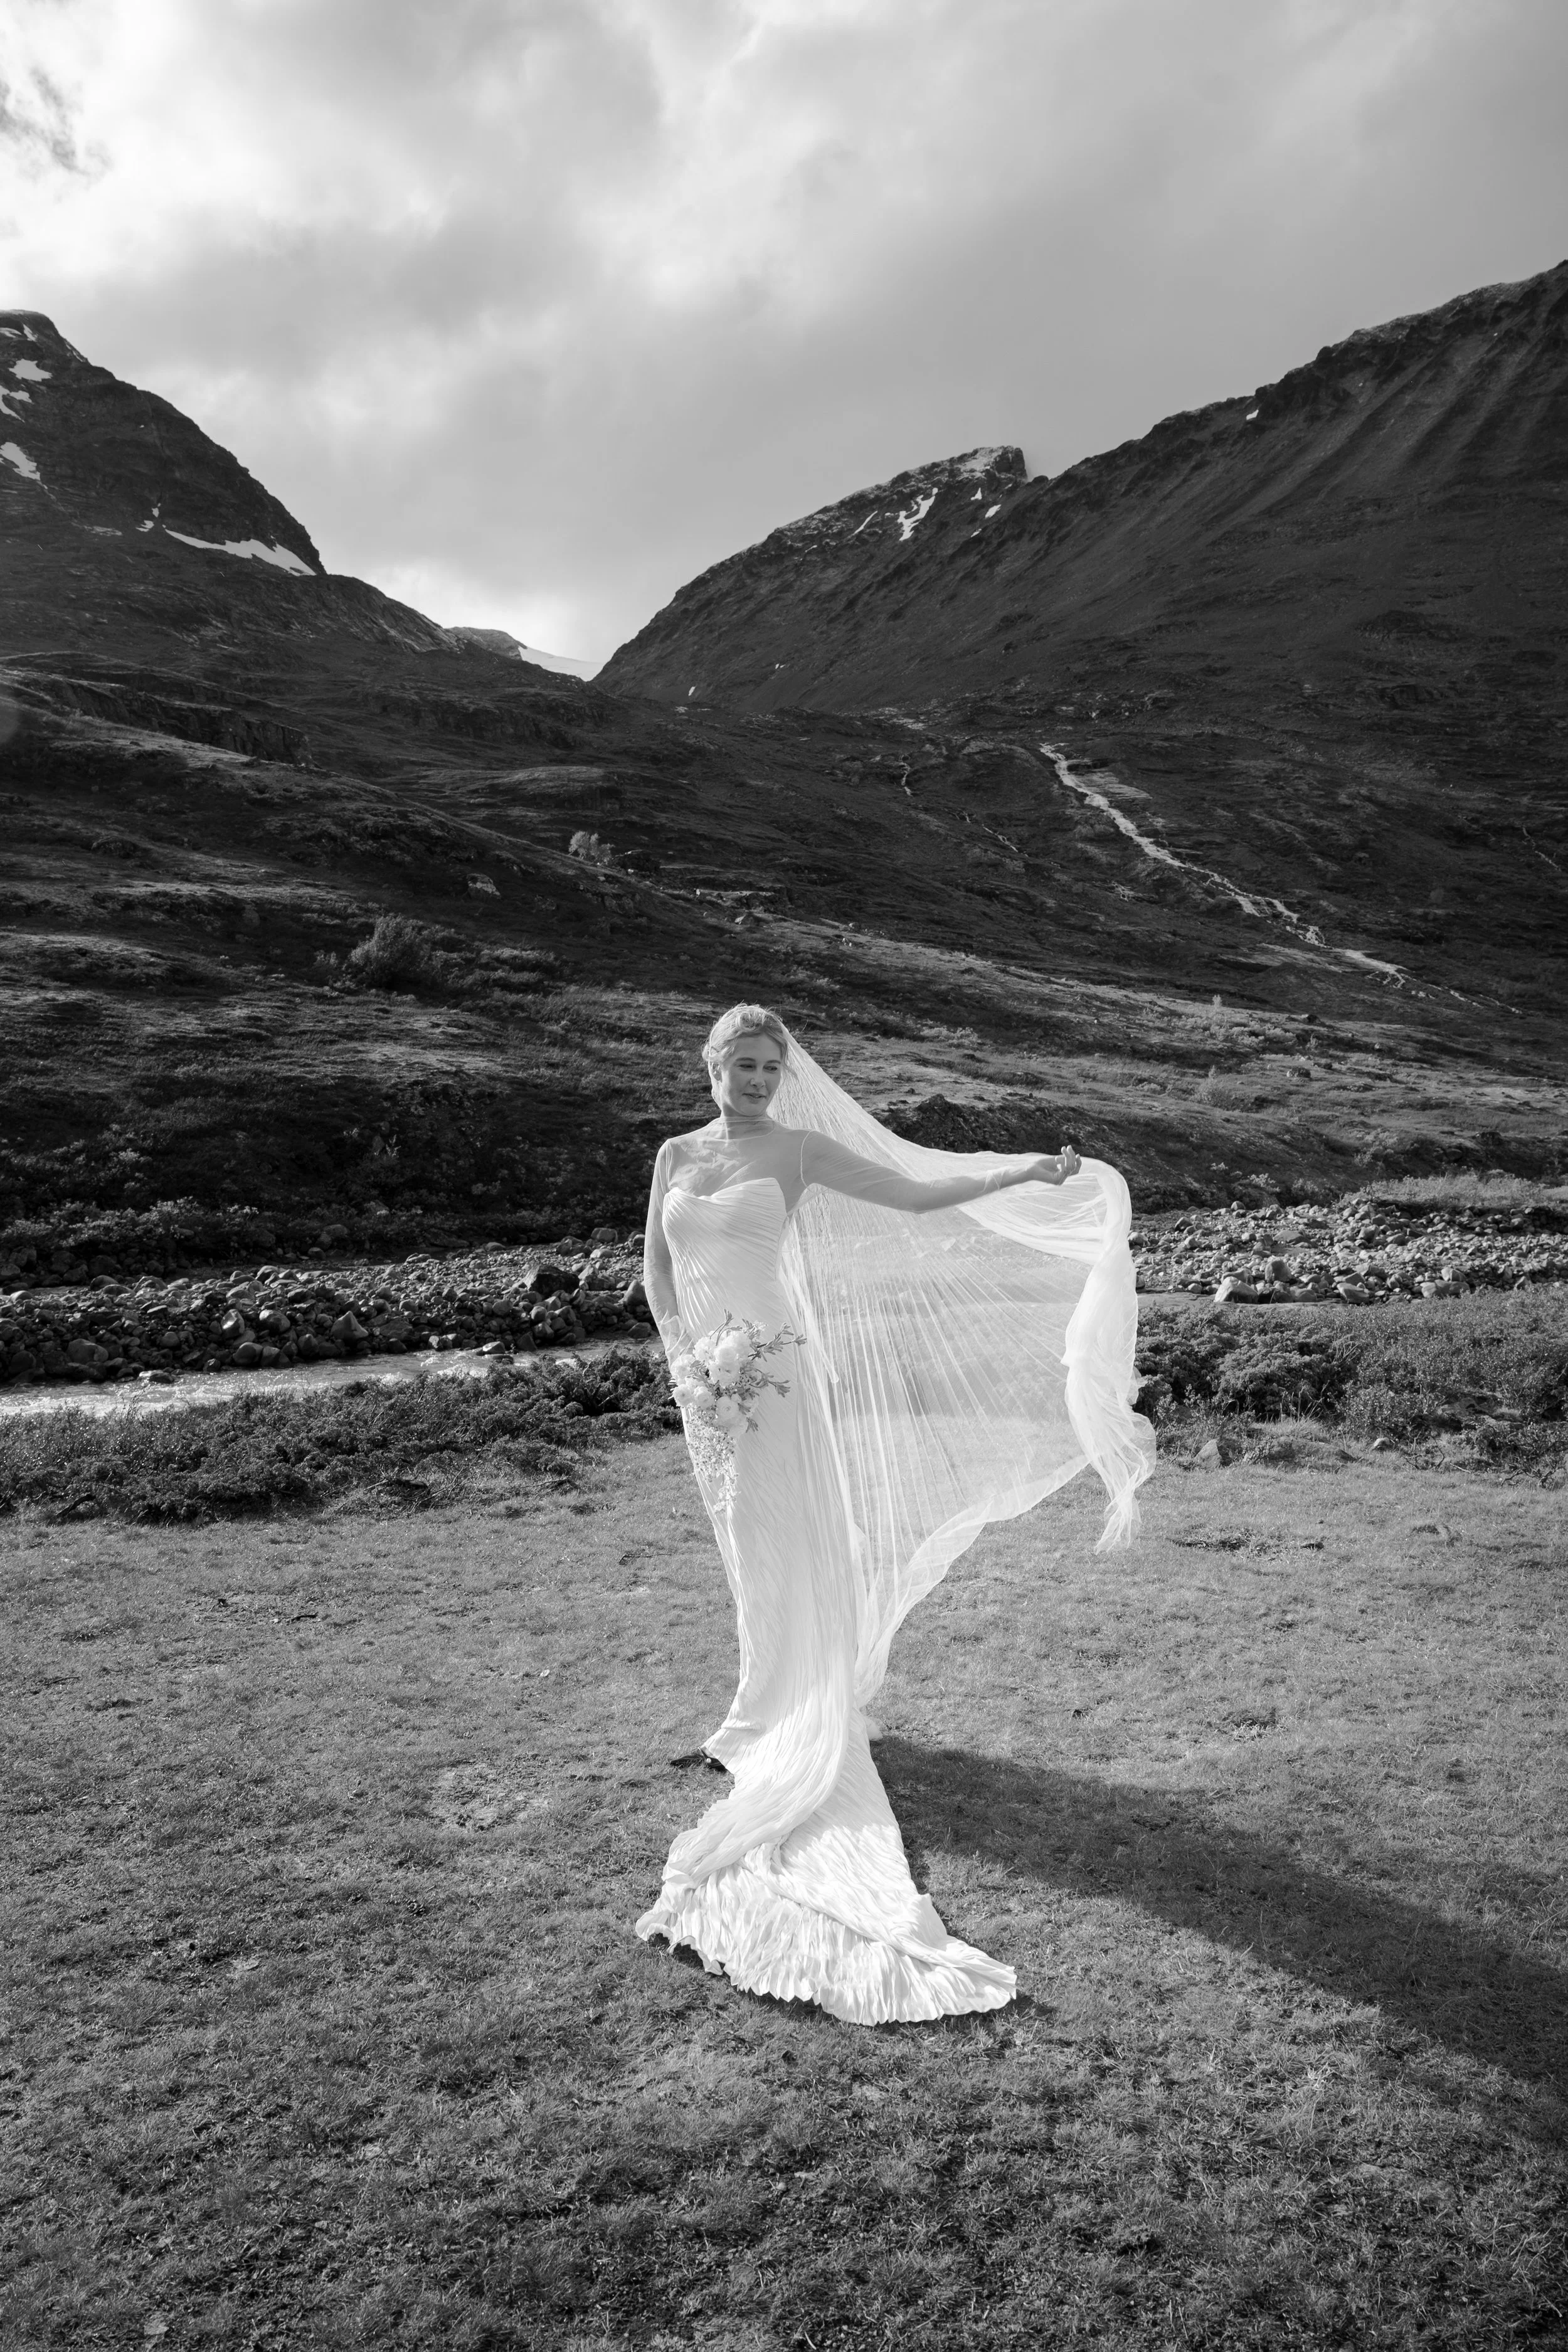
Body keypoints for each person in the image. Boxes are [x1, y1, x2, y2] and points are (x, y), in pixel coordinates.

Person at [637, 1003, 1154, 2024]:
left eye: (770, 1066)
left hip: (775, 1376)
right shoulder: (673, 1156)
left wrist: (1019, 1172)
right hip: (710, 1389)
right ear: (712, 1067)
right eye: (743, 1064)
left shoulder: (797, 1152)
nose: (757, 1079)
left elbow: (915, 1189)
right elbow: (657, 1267)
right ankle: (757, 1705)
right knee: (746, 1549)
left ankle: (782, 1715)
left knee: (788, 1539)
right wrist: (683, 1360)